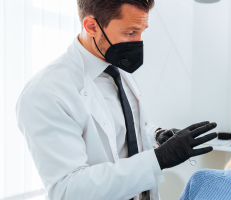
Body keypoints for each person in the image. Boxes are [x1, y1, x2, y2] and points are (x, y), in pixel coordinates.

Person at [15, 1, 218, 200]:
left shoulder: (116, 67)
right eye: (130, 33)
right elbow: (69, 190)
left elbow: (119, 127)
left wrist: (156, 134)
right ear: (91, 26)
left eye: (142, 31)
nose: (138, 42)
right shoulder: (46, 93)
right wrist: (159, 158)